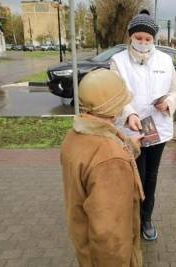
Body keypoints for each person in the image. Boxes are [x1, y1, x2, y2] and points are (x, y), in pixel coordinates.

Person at [60, 69, 145, 266]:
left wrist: (128, 146)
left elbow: (94, 160)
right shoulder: (111, 160)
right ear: (112, 107)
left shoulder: (74, 136)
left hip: (86, 247)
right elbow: (110, 234)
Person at [110, 10, 176, 241]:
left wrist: (169, 102)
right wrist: (129, 113)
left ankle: (147, 218)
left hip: (158, 129)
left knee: (151, 175)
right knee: (133, 175)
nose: (143, 42)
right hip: (131, 130)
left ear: (154, 39)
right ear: (130, 37)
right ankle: (131, 218)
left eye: (147, 39)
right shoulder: (118, 62)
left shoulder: (164, 60)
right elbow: (117, 94)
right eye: (138, 38)